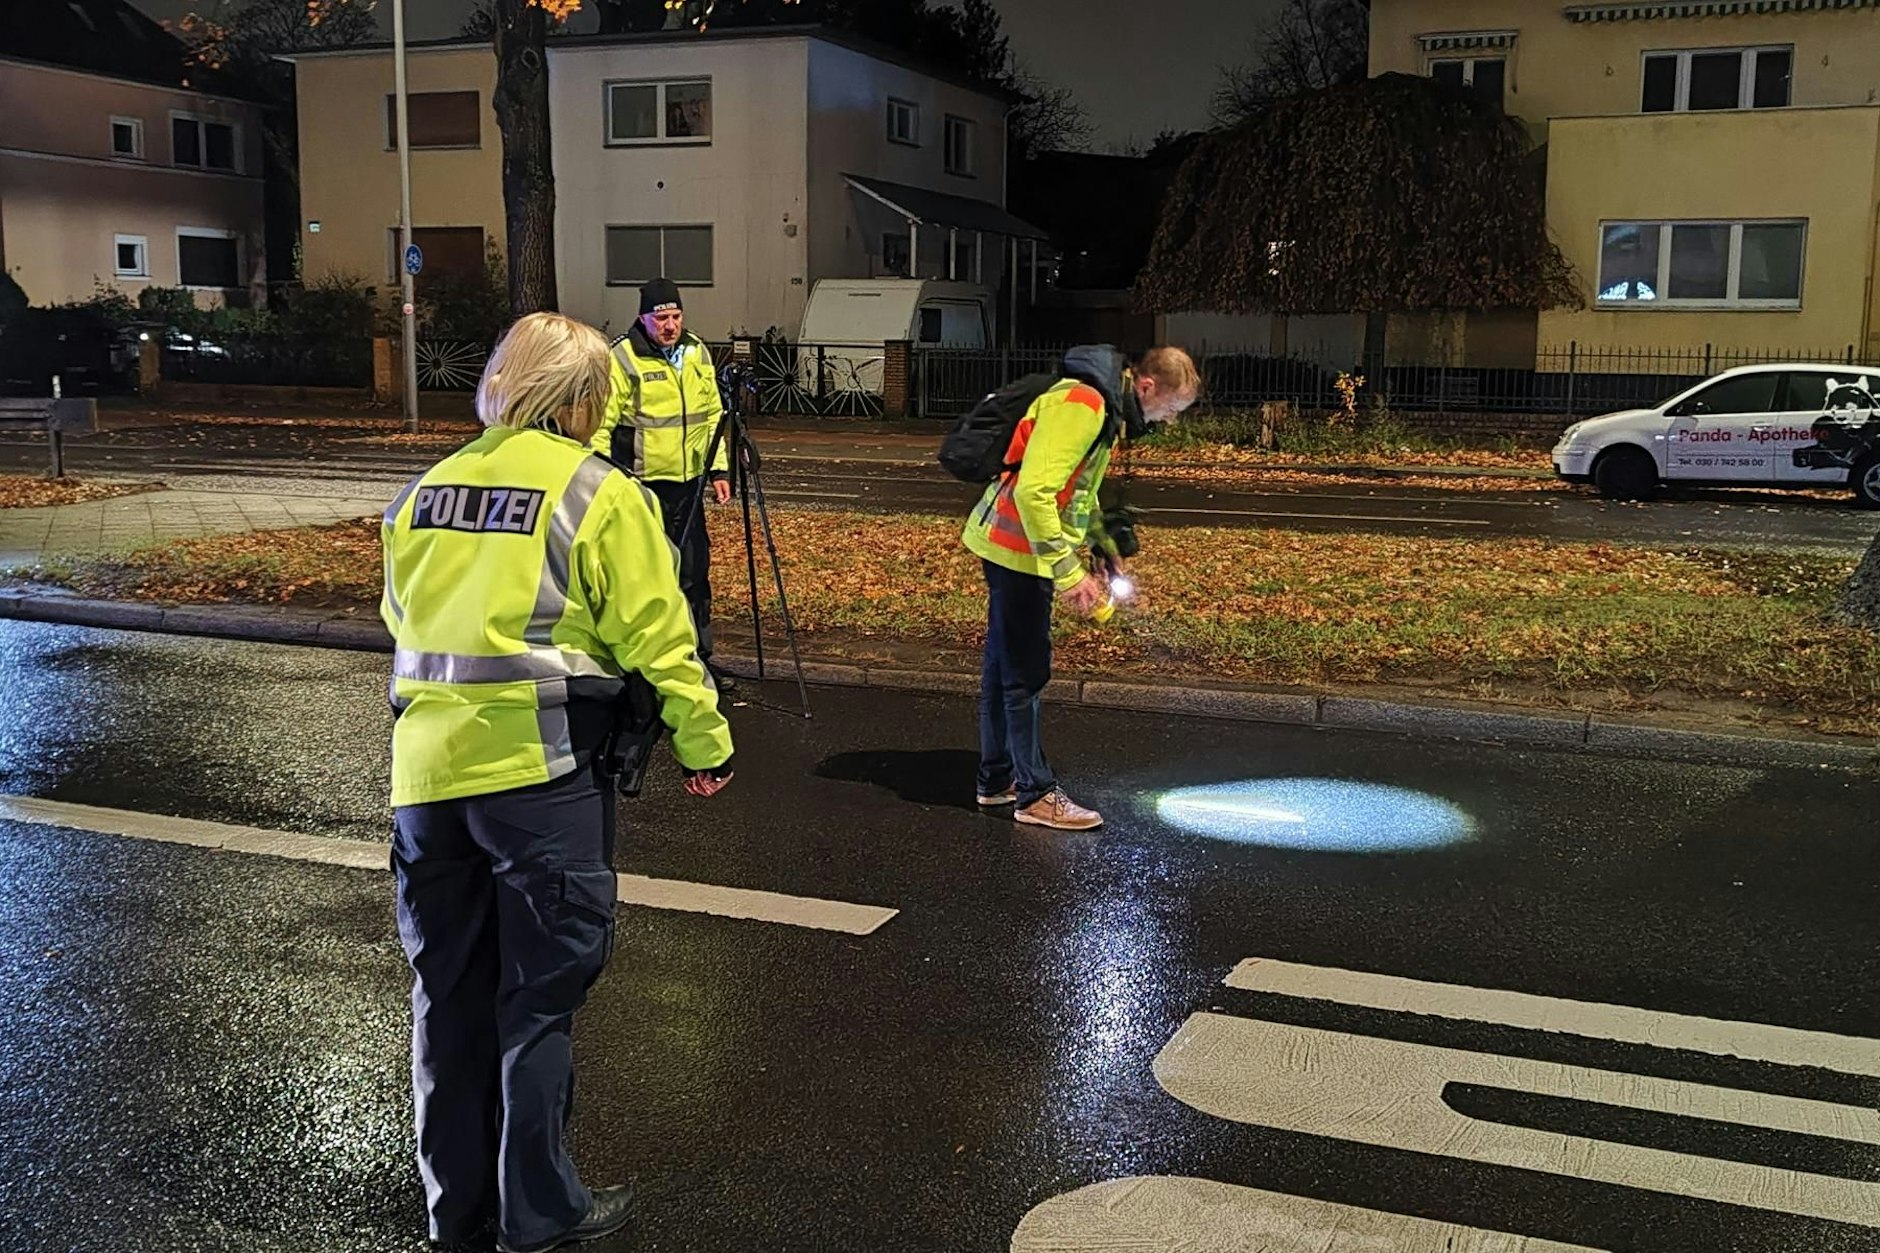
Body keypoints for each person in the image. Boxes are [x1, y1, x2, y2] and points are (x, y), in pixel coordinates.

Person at [380, 312, 735, 1253]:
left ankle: (456, 1213)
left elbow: (402, 617)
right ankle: (536, 1211)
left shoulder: (424, 489)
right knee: (537, 1001)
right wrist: (705, 743)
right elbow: (660, 635)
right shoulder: (598, 493)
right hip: (541, 776)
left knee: (447, 995)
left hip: (425, 779)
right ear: (579, 401)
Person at [963, 345, 1200, 831]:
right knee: (1024, 674)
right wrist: (1069, 574)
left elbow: (1077, 493)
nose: (1171, 420)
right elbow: (1034, 492)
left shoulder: (1102, 408)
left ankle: (996, 779)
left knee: (1003, 668)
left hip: (1013, 546)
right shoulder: (1085, 405)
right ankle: (1034, 794)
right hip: (1019, 551)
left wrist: (1101, 545)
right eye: (1172, 407)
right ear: (1147, 387)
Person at [593, 277, 737, 692]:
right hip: (641, 487)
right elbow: (602, 425)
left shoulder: (696, 351)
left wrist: (719, 471)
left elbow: (711, 416)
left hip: (689, 484)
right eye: (661, 319)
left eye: (675, 316)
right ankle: (646, 665)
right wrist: (598, 480)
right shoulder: (623, 357)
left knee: (694, 573)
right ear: (643, 319)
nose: (670, 325)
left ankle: (698, 661)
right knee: (648, 578)